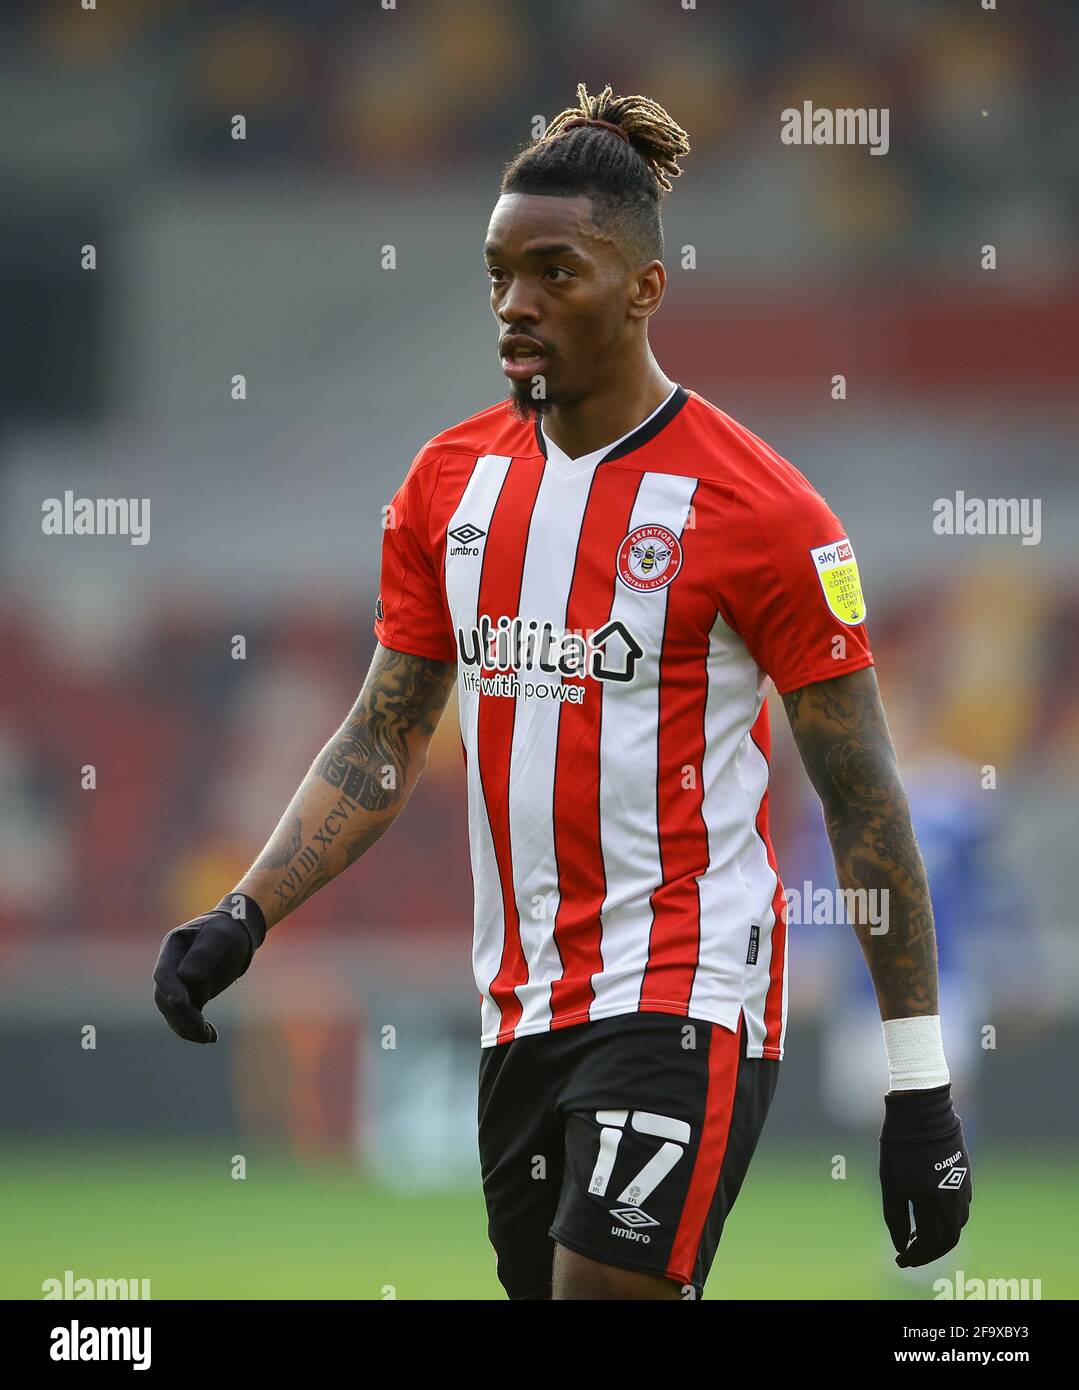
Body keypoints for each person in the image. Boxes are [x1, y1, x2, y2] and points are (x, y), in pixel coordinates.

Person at [154, 83, 971, 1300]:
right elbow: (383, 738)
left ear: (644, 288)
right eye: (497, 274)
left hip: (686, 989)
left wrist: (919, 1087)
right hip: (519, 1006)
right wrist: (245, 913)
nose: (514, 306)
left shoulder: (763, 514)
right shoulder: (447, 485)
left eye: (553, 272)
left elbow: (864, 807)